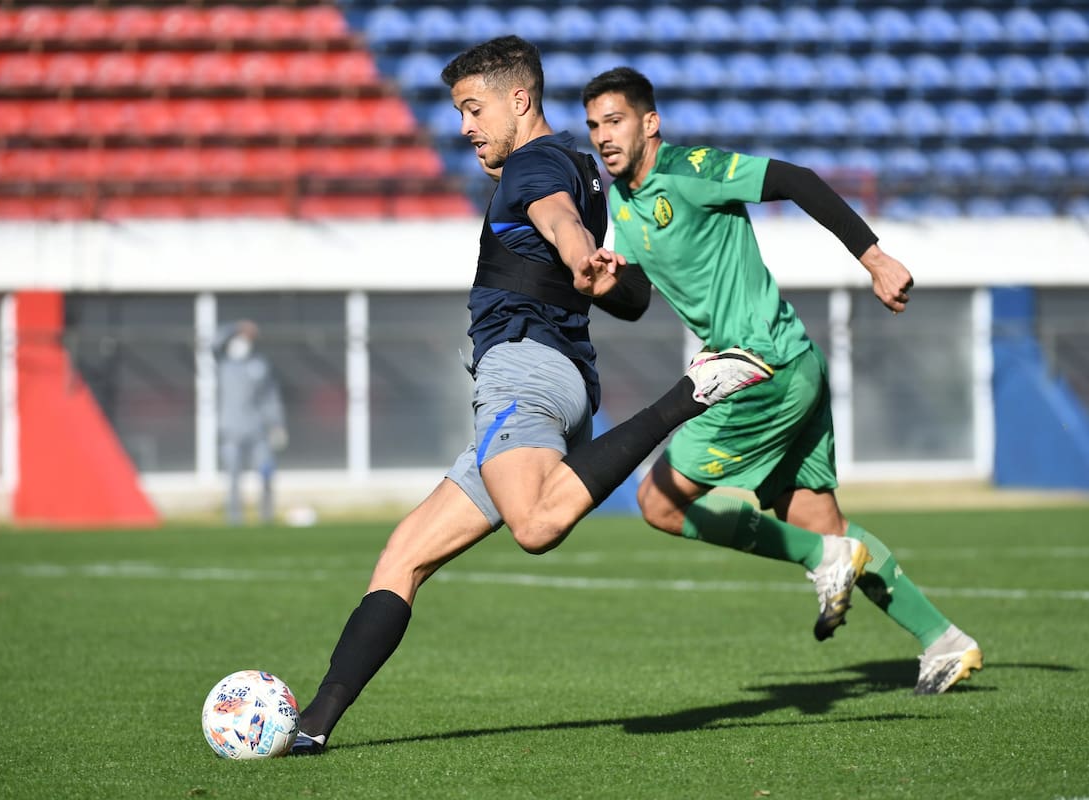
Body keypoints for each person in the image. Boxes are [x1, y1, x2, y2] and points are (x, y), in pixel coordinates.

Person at [288, 36, 774, 756]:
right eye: (459, 113)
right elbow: (627, 294)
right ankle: (311, 726)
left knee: (536, 527)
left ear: (520, 100)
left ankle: (693, 390)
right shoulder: (586, 169)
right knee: (404, 556)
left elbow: (555, 218)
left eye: (473, 108)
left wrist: (581, 255)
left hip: (522, 374)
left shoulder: (534, 164)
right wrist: (597, 271)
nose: (465, 128)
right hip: (551, 382)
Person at [580, 66, 983, 695]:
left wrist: (873, 257)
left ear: (649, 123)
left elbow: (796, 179)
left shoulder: (692, 169)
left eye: (615, 120)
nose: (603, 135)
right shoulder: (623, 208)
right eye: (594, 125)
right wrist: (604, 289)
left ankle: (817, 561)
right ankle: (944, 640)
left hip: (757, 369)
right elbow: (636, 300)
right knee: (825, 527)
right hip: (791, 364)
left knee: (658, 501)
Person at [212, 319, 287, 525]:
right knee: (233, 478)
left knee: (266, 473)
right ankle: (234, 519)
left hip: (258, 431)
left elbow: (271, 398)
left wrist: (277, 424)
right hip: (230, 432)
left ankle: (266, 517)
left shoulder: (259, 365)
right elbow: (213, 341)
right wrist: (235, 327)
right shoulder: (223, 364)